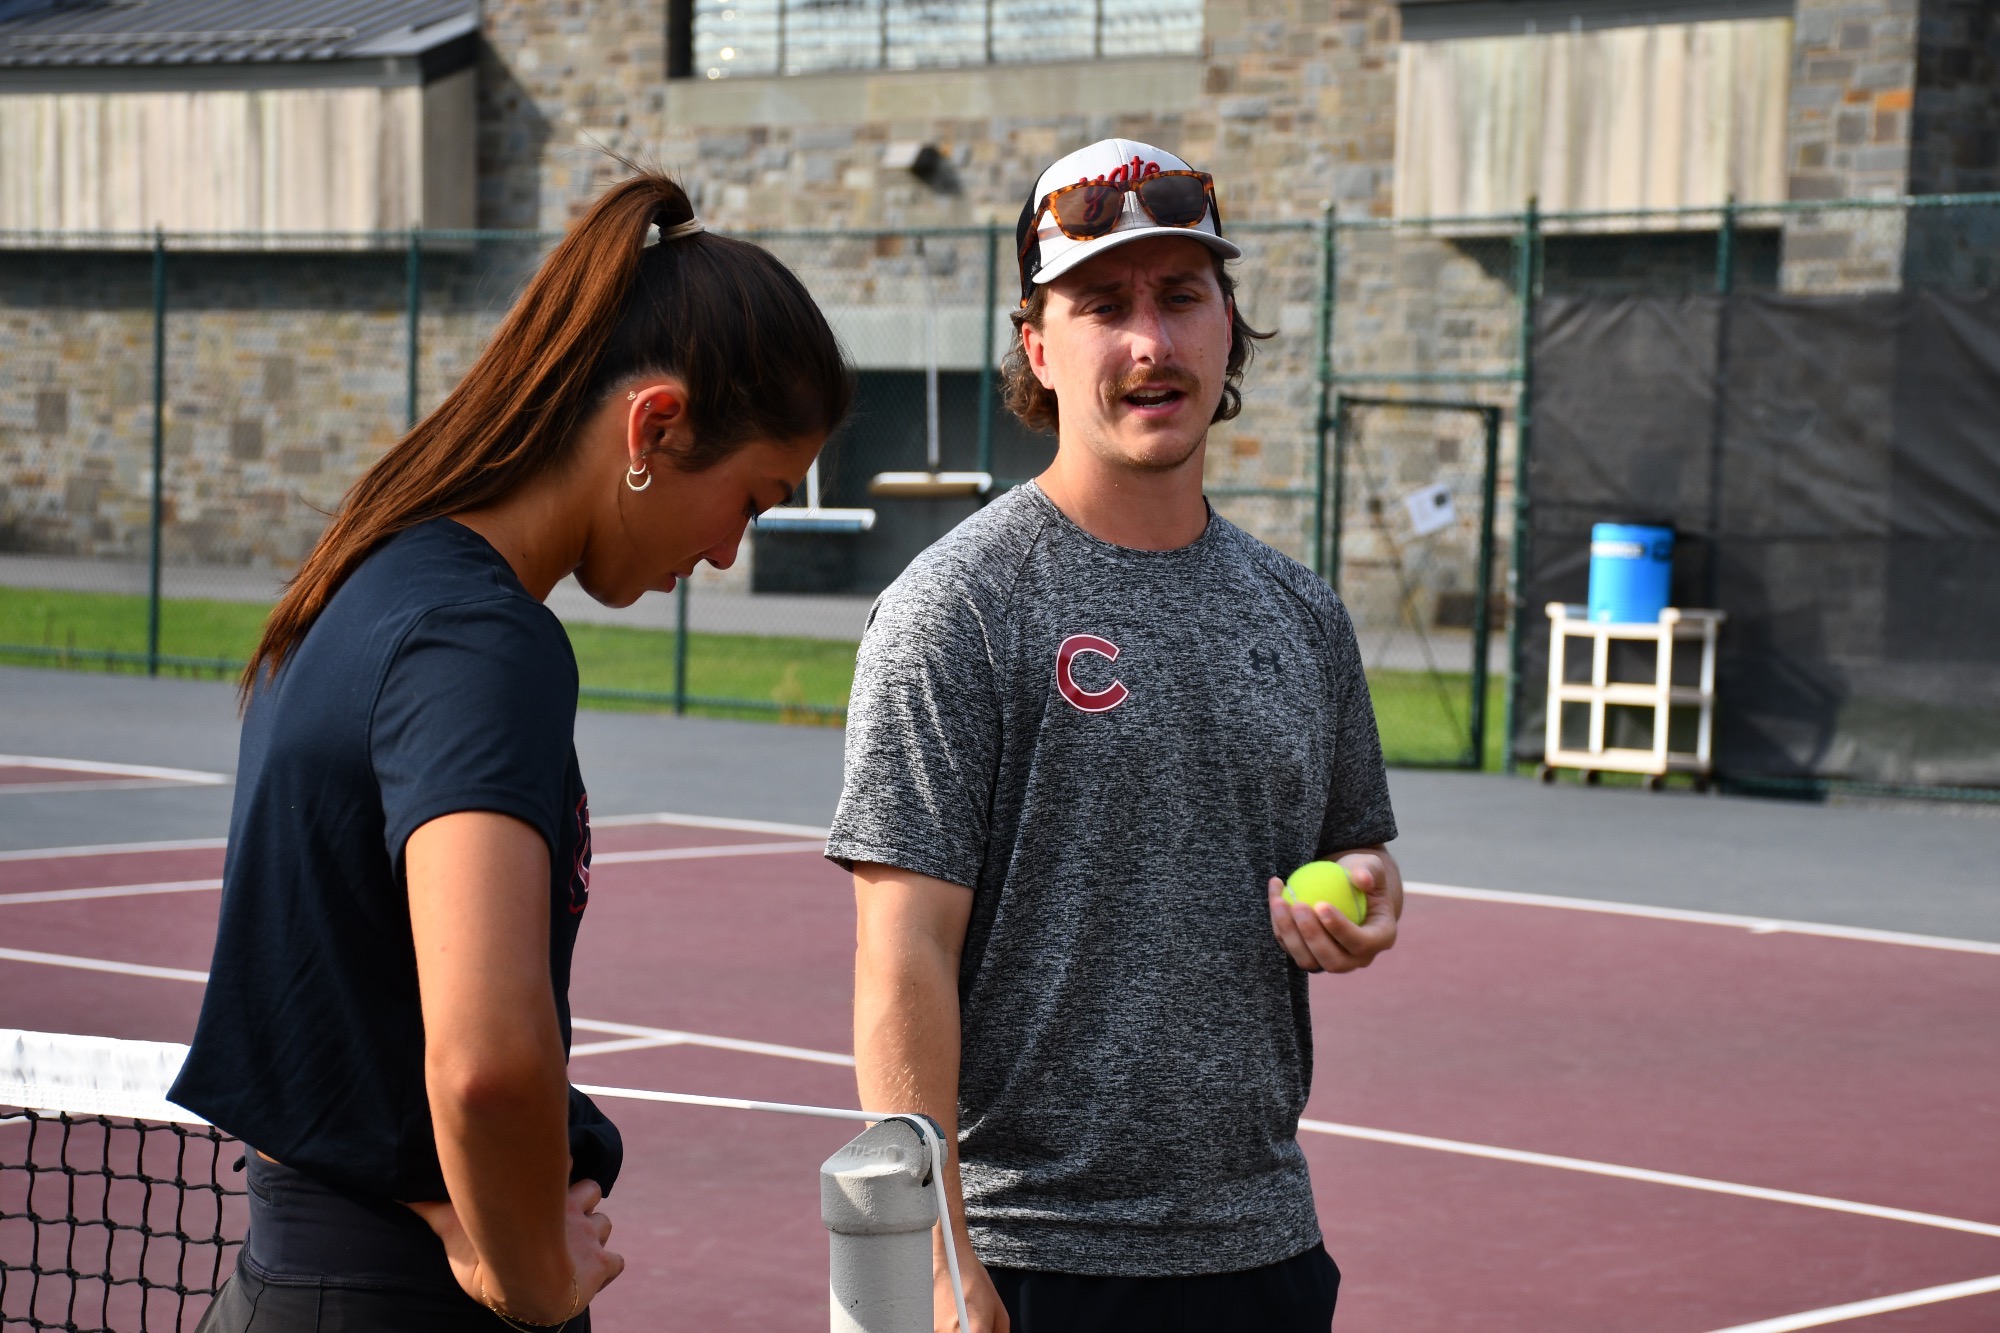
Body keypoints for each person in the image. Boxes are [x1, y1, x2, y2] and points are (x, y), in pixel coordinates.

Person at [170, 172, 852, 1331]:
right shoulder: (482, 643)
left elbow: (326, 1021)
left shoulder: (374, 580)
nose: (730, 550)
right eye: (750, 498)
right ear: (654, 426)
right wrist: (531, 1275)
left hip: (310, 1271)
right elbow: (486, 1057)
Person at [827, 138, 1404, 1332]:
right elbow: (901, 953)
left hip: (1264, 1248)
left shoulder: (1299, 614)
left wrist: (1363, 889)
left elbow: (1356, 851)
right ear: (1037, 347)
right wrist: (937, 1261)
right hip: (1032, 1259)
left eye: (1181, 296)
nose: (1150, 342)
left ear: (1227, 326)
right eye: (1101, 306)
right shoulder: (958, 607)